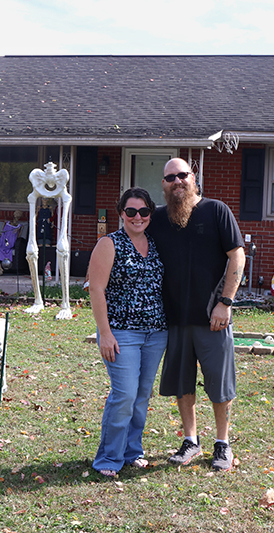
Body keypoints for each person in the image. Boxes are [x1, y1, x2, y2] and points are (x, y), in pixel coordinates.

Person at [147, 157, 246, 472]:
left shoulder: (216, 211)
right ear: (163, 185)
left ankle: (222, 443)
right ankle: (190, 440)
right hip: (174, 319)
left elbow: (237, 256)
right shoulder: (157, 219)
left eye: (182, 175)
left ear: (194, 177)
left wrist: (225, 302)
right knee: (182, 383)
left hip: (212, 318)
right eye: (170, 177)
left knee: (219, 383)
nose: (177, 181)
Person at [89, 187, 168, 478]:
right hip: (121, 333)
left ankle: (132, 451)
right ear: (122, 213)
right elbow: (96, 289)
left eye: (143, 211)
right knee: (124, 394)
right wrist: (105, 333)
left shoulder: (157, 243)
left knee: (142, 395)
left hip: (156, 333)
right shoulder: (109, 243)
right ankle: (109, 458)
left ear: (150, 214)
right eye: (131, 211)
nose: (138, 217)